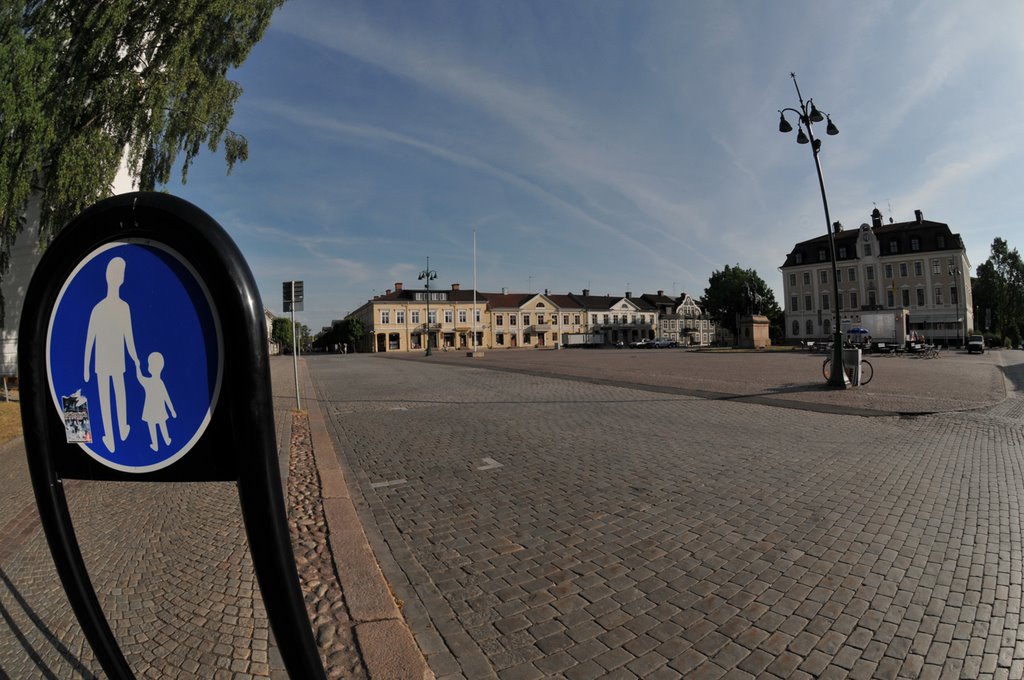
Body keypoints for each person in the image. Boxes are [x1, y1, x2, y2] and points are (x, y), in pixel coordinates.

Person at [84, 257, 139, 452]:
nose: (117, 277)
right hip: (102, 363)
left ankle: (121, 429)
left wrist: (136, 360)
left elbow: (129, 338)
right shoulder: (98, 309)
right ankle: (110, 436)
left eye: (120, 274)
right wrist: (86, 367)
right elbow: (90, 339)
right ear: (108, 276)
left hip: (115, 361)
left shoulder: (123, 308)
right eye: (116, 273)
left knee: (117, 395)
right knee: (106, 399)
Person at [137, 352, 176, 451]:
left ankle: (155, 444)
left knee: (152, 425)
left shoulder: (149, 382)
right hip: (159, 408)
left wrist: (137, 367)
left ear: (150, 367)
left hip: (150, 408)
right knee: (162, 423)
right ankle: (166, 439)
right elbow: (167, 398)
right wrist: (172, 411)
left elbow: (140, 378)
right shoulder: (160, 382)